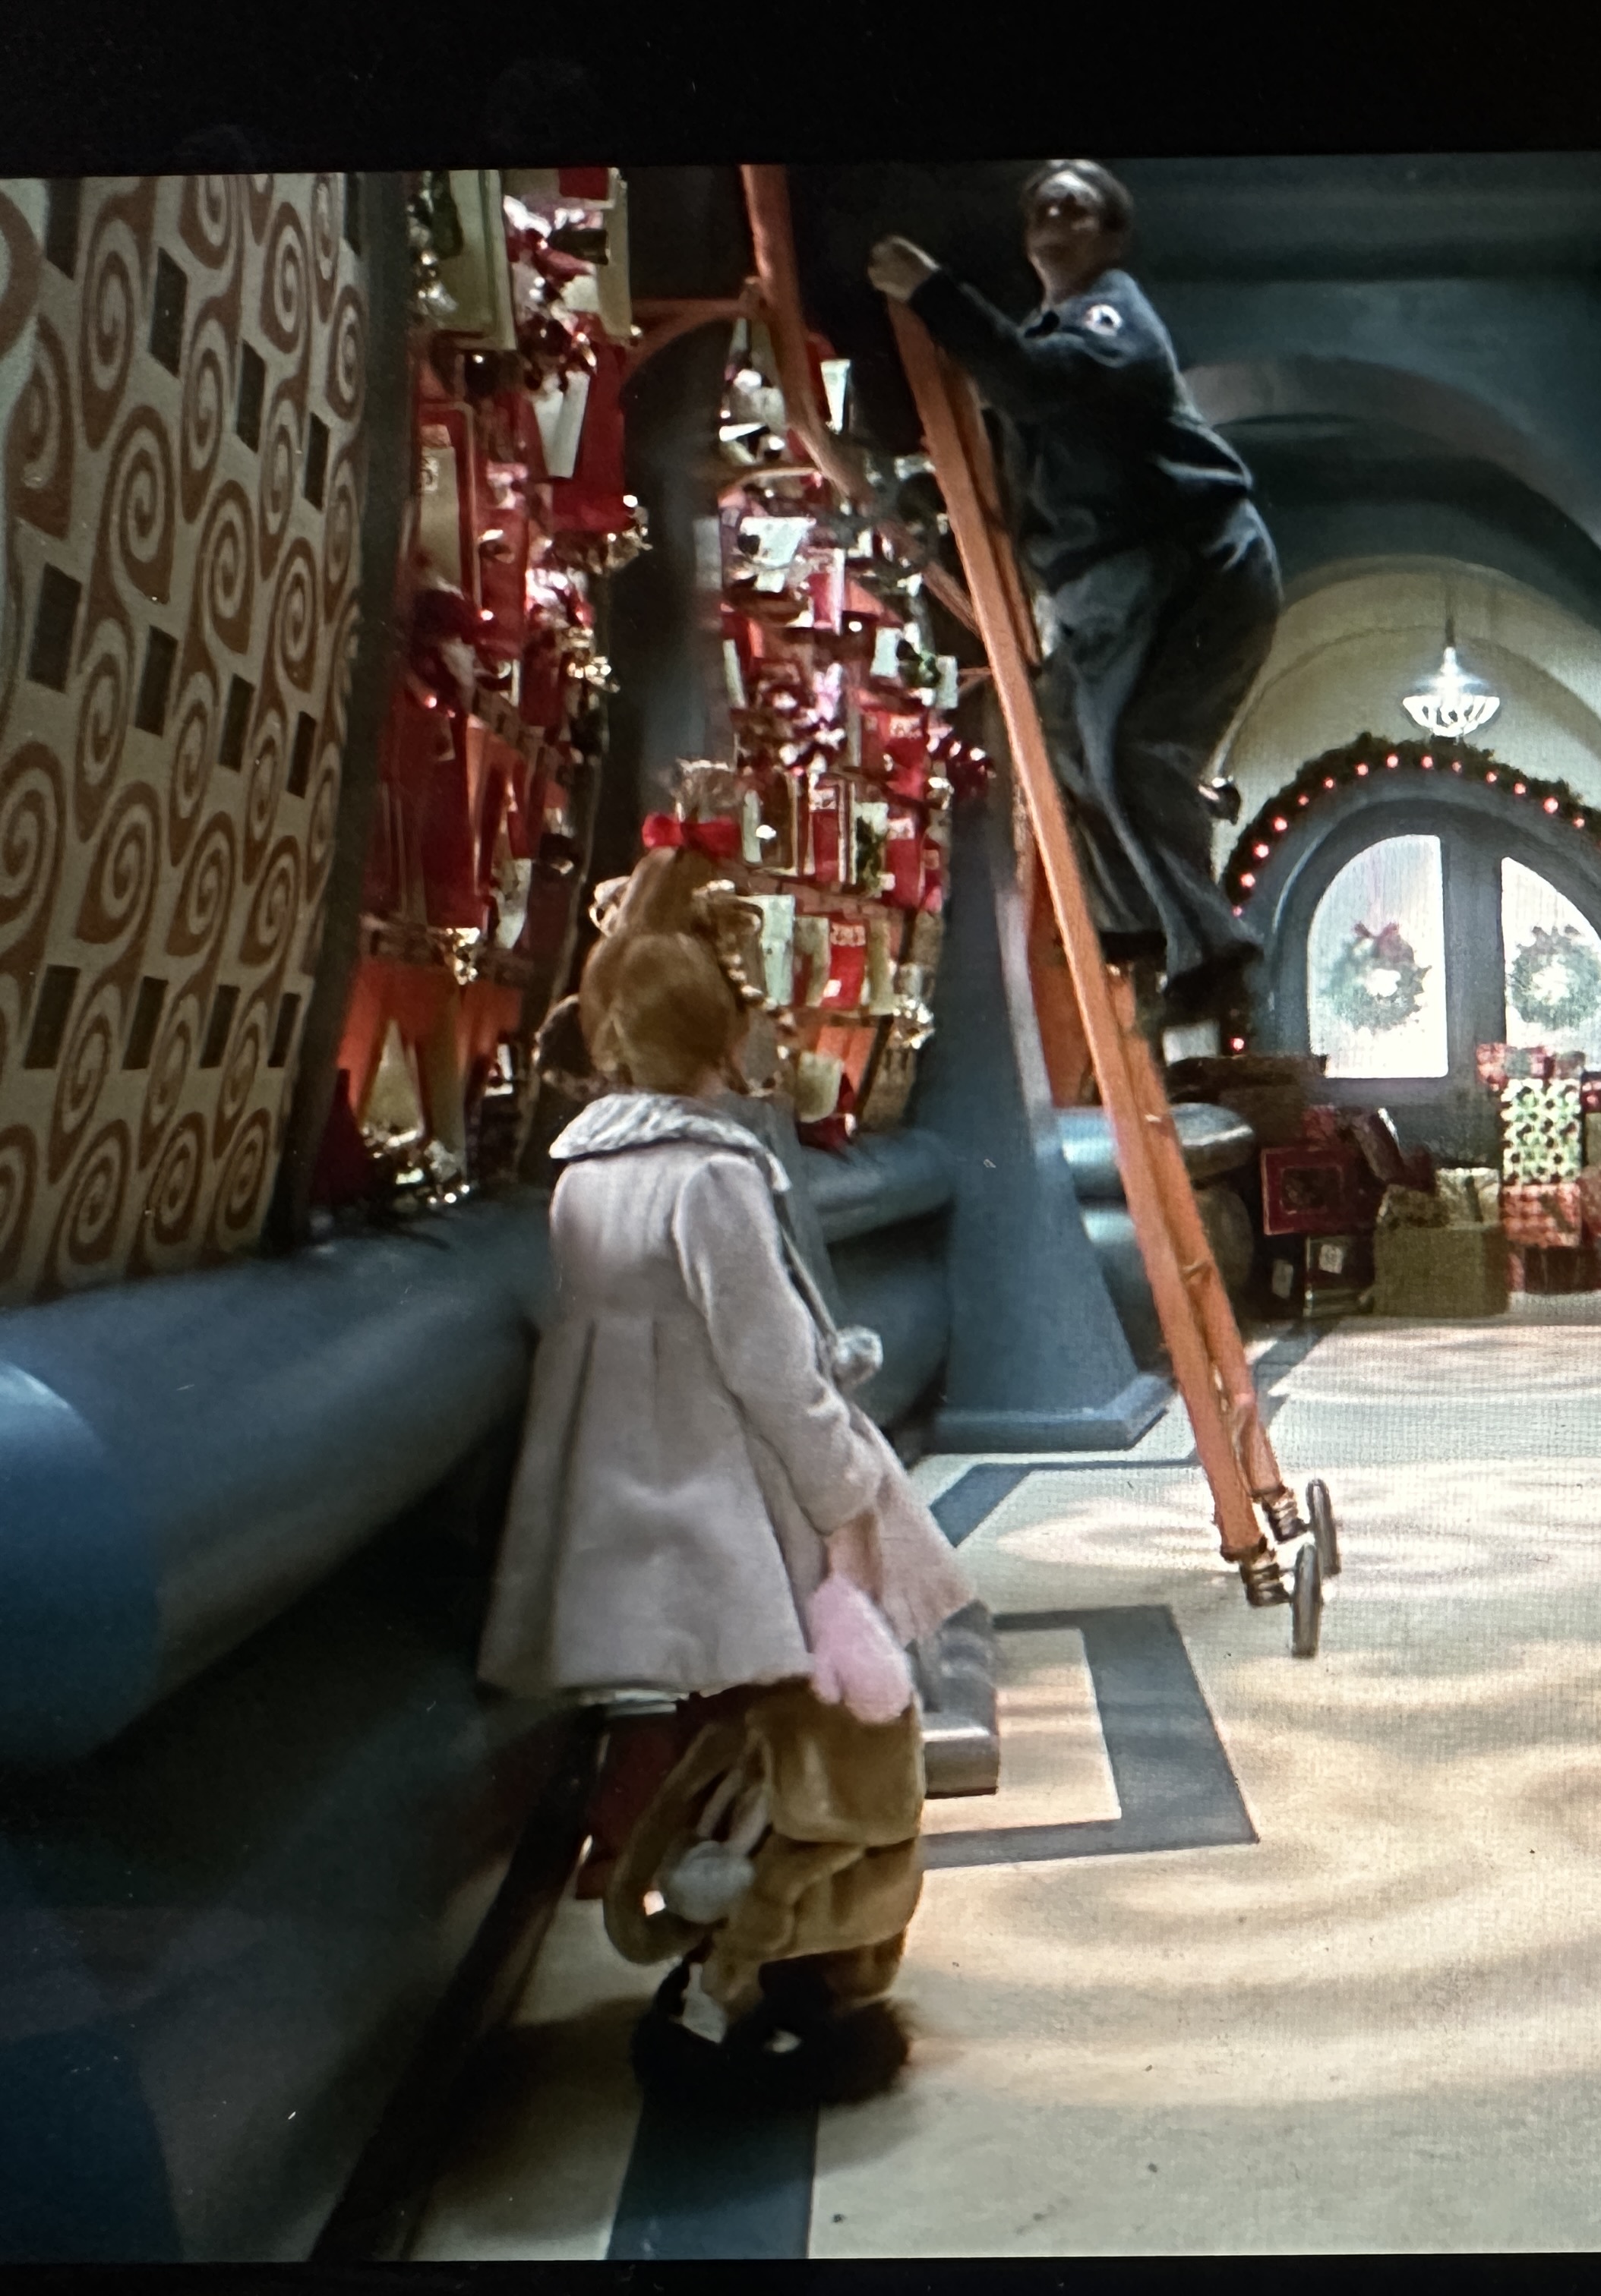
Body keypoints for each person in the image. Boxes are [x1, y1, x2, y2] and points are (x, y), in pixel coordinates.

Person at [478, 893, 977, 2105]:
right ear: (727, 1037)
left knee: (697, 1742)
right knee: (798, 1739)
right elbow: (771, 1366)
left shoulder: (582, 1174)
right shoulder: (713, 1178)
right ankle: (791, 1964)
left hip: (620, 1504)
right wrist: (843, 1483)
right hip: (727, 1502)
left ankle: (712, 1956)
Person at [867, 159, 1277, 1036]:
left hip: (1182, 561)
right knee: (1063, 740)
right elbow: (1025, 446)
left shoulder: (1112, 317)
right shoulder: (1043, 332)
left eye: (1075, 209)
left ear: (1109, 237)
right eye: (1042, 209)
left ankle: (1212, 953)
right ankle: (1134, 927)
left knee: (1130, 748)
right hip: (1108, 578)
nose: (1053, 219)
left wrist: (934, 293)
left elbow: (1033, 382)